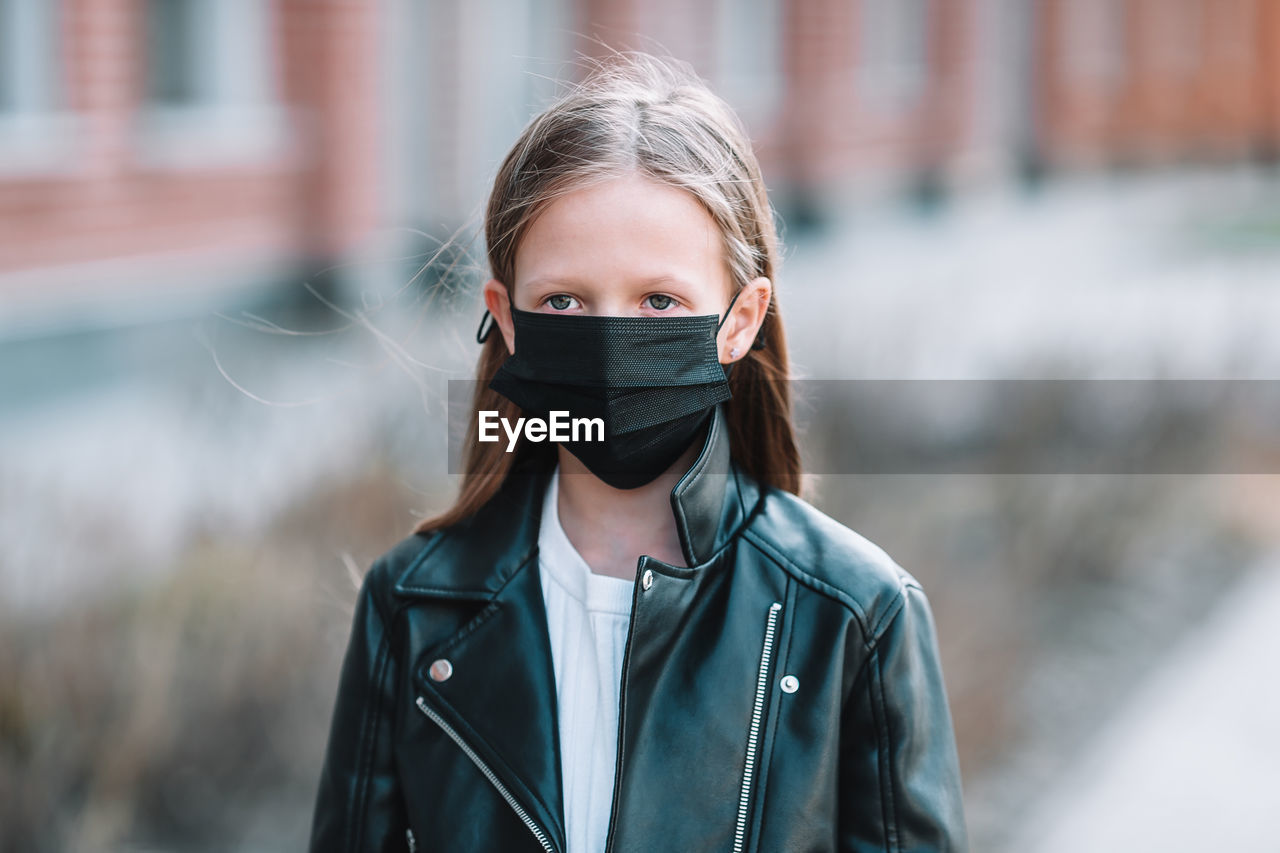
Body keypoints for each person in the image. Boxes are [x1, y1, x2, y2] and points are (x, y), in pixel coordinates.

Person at [309, 52, 967, 852]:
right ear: (507, 320)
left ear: (740, 319)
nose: (612, 342)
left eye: (659, 300)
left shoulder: (856, 615)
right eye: (564, 301)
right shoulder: (411, 606)